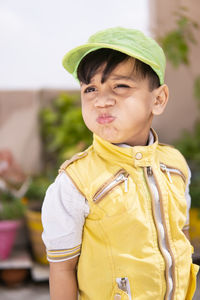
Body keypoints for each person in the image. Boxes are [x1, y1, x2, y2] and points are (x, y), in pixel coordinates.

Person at [41, 27, 199, 300]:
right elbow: (62, 268)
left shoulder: (175, 166)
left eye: (120, 86)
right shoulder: (75, 182)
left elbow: (180, 237)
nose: (102, 101)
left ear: (158, 99)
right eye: (90, 88)